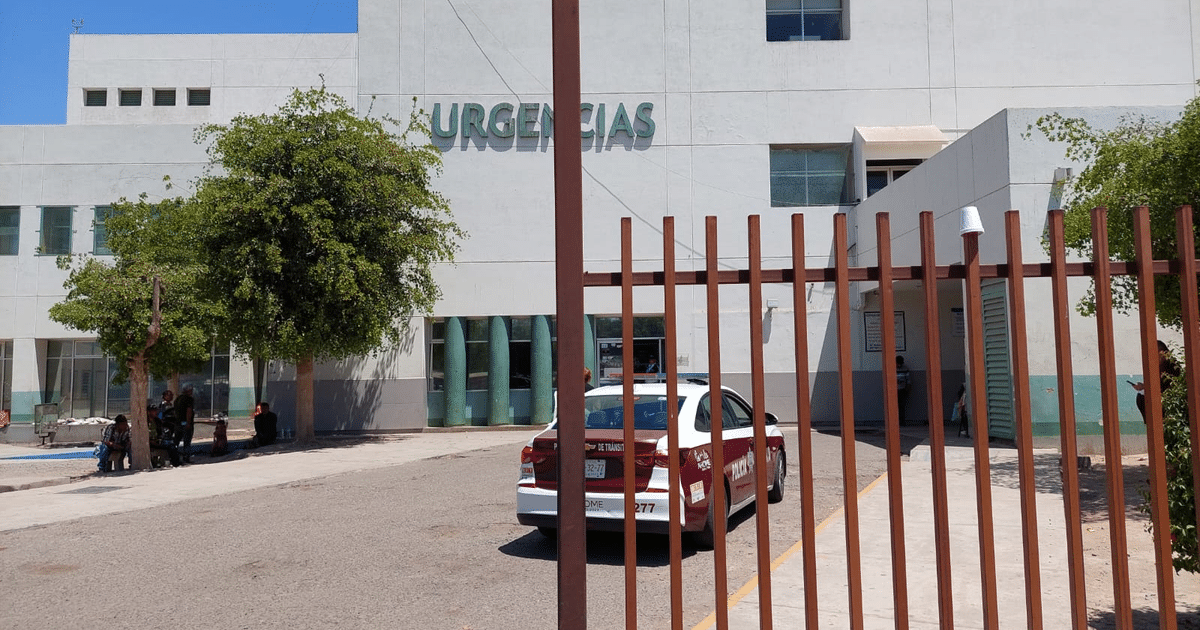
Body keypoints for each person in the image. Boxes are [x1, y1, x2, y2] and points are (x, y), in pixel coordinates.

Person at [1133, 340, 1182, 423]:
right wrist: (1143, 386)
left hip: (1168, 401)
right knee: (1141, 398)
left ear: (1162, 352)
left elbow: (1165, 385)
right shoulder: (1157, 366)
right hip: (1158, 398)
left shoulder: (1172, 366)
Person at [174, 385, 196, 461]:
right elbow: (189, 411)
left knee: (176, 440)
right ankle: (186, 457)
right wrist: (188, 422)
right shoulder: (189, 399)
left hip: (178, 422)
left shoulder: (178, 399)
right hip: (185, 422)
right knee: (187, 440)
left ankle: (173, 456)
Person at [895, 355, 912, 425]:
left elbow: (908, 380)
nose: (899, 365)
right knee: (895, 406)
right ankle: (895, 421)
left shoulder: (905, 368)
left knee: (902, 406)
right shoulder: (892, 368)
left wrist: (906, 389)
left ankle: (901, 421)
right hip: (894, 390)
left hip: (902, 390)